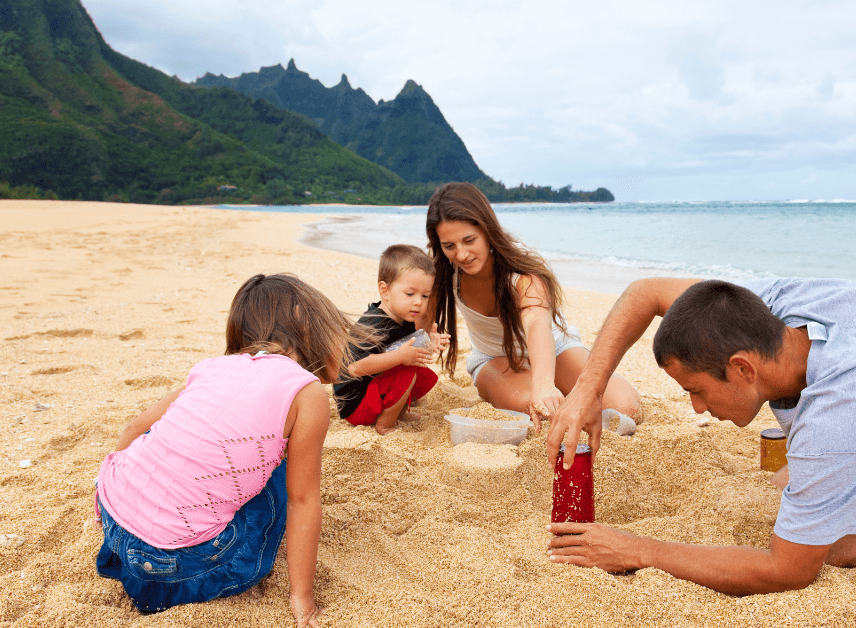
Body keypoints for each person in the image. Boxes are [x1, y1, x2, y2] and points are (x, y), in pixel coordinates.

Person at [545, 277, 856, 595]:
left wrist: (640, 550)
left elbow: (787, 572)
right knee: (791, 492)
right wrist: (586, 391)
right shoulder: (769, 306)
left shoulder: (848, 415)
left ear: (742, 367)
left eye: (698, 390)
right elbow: (646, 292)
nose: (695, 407)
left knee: (837, 548)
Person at [95, 273, 363, 626]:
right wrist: (303, 598)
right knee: (281, 473)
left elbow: (134, 428)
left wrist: (109, 509)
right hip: (172, 572)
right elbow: (303, 501)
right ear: (303, 318)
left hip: (115, 525)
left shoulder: (209, 368)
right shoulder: (306, 393)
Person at [425, 181, 639, 427]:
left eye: (469, 240)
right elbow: (417, 318)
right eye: (449, 246)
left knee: (626, 406)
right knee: (540, 411)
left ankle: (555, 389)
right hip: (494, 358)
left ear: (487, 230)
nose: (461, 255)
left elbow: (538, 326)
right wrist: (424, 333)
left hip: (555, 348)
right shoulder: (441, 275)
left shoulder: (523, 277)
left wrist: (545, 384)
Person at [333, 244, 449, 434]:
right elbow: (354, 368)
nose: (418, 302)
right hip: (356, 405)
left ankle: (398, 412)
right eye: (410, 294)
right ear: (385, 291)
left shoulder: (402, 316)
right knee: (406, 372)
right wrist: (400, 357)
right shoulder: (374, 325)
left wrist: (430, 341)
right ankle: (385, 424)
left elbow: (404, 347)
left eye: (425, 295)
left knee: (419, 370)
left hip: (372, 390)